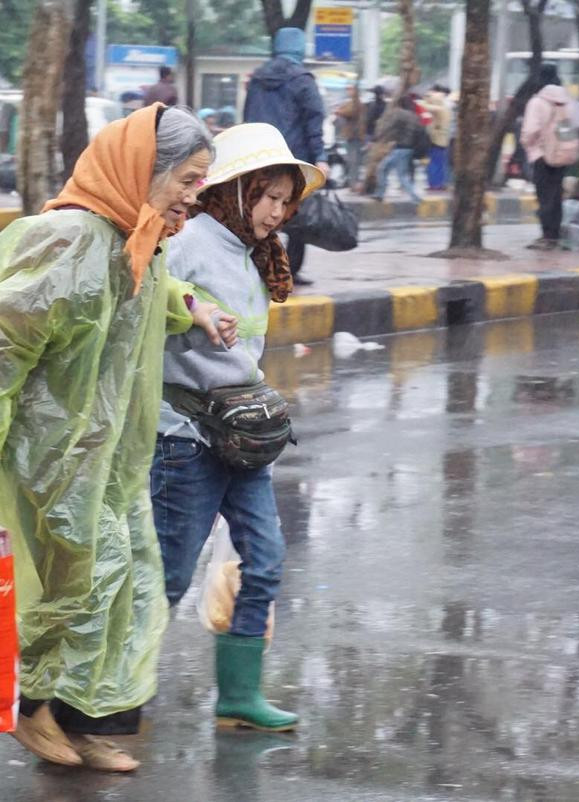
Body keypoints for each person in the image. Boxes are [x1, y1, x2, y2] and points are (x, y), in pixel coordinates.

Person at [0, 105, 234, 773]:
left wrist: (192, 307)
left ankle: (86, 716)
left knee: (124, 583)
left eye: (199, 182)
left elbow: (143, 300)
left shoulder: (138, 240)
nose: (193, 197)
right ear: (140, 170)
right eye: (185, 179)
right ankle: (27, 707)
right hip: (52, 455)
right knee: (73, 586)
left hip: (109, 458)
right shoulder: (68, 237)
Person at [152, 122, 325, 731]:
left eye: (285, 201)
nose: (277, 213)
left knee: (267, 559)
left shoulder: (256, 254)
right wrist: (193, 310)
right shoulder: (190, 239)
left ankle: (238, 695)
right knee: (168, 576)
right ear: (236, 189)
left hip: (240, 440)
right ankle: (116, 694)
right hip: (183, 439)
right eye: (268, 197)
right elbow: (146, 285)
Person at [244, 27, 330, 286]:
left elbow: (248, 116)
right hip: (295, 159)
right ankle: (288, 269)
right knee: (294, 215)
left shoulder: (257, 79)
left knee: (258, 210)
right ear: (300, 48)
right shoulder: (303, 79)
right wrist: (320, 156)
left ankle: (256, 265)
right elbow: (314, 121)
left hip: (260, 158)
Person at [520, 65, 573, 250]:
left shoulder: (537, 102)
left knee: (544, 196)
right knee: (556, 194)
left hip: (542, 154)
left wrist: (528, 145)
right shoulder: (566, 100)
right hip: (562, 152)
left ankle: (547, 236)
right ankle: (555, 234)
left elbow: (530, 130)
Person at [371, 95, 423, 204]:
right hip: (408, 149)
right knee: (386, 169)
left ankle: (416, 198)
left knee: (394, 173)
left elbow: (389, 127)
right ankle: (379, 194)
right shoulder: (414, 116)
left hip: (400, 149)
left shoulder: (399, 114)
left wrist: (378, 136)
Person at [335, 85, 367, 188]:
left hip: (355, 135)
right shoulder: (351, 102)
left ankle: (353, 183)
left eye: (350, 90)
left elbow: (347, 112)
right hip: (351, 135)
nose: (348, 91)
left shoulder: (356, 103)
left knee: (353, 161)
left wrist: (340, 111)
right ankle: (352, 181)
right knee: (352, 160)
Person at [423, 85, 452, 191]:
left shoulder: (440, 109)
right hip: (443, 140)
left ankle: (434, 184)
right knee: (440, 164)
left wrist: (427, 96)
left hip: (436, 140)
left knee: (434, 164)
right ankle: (439, 183)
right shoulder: (445, 109)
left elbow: (425, 106)